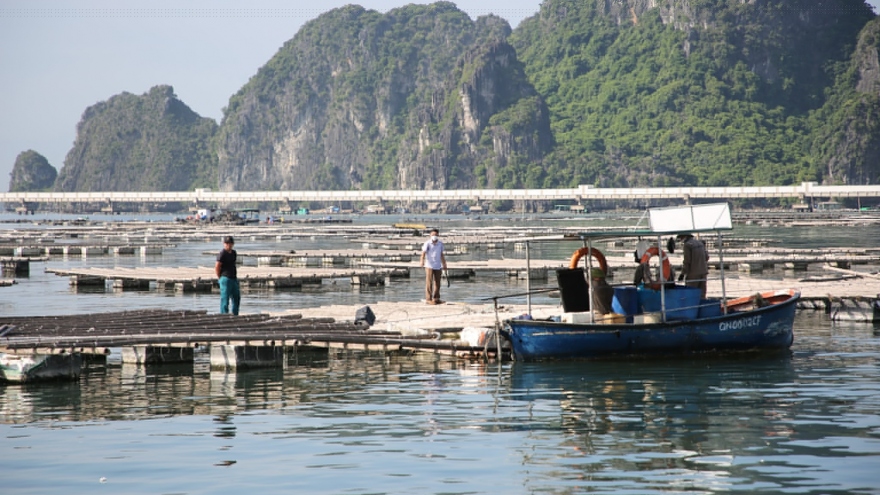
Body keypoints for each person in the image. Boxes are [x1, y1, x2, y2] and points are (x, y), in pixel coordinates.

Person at [419, 228, 447, 304]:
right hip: (429, 265)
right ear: (430, 235)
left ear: (438, 235)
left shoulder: (440, 244)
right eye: (432, 235)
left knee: (438, 282)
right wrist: (422, 261)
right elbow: (423, 253)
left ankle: (436, 298)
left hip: (438, 265)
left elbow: (441, 254)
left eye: (435, 235)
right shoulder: (427, 243)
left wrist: (444, 264)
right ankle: (428, 298)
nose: (434, 236)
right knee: (429, 282)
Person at [215, 235, 240, 315]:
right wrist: (220, 277)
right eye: (227, 243)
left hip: (233, 278)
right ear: (224, 244)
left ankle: (235, 314)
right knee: (225, 299)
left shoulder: (233, 253)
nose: (228, 245)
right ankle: (224, 315)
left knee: (236, 297)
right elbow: (217, 266)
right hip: (225, 278)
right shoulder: (222, 253)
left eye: (230, 243)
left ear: (232, 244)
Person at [678, 233, 709, 298]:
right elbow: (707, 257)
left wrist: (682, 274)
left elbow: (687, 261)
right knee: (702, 294)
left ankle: (692, 307)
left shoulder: (687, 245)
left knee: (691, 294)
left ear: (685, 236)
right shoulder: (700, 243)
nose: (680, 239)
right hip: (703, 272)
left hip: (693, 274)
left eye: (681, 238)